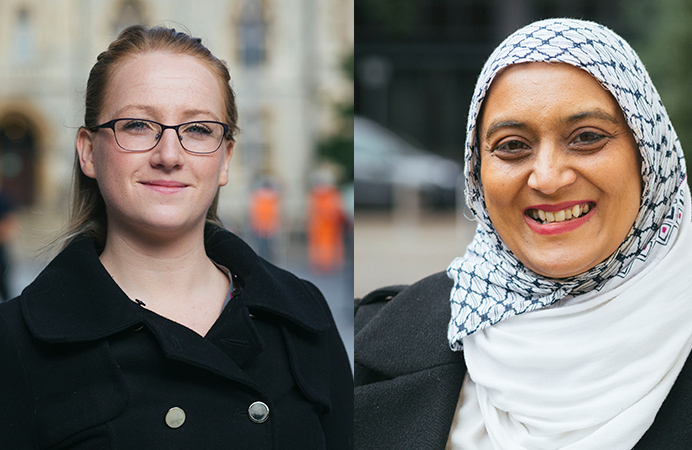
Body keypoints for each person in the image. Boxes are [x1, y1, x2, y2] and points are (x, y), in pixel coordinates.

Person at [0, 25, 353, 449]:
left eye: (198, 130)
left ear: (225, 160)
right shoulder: (14, 343)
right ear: (89, 151)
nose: (169, 155)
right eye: (137, 125)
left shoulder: (303, 318)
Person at [355, 18, 692, 450]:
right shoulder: (367, 340)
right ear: (478, 171)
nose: (548, 178)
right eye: (513, 145)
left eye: (586, 138)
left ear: (648, 156)